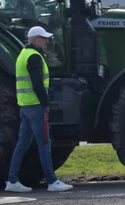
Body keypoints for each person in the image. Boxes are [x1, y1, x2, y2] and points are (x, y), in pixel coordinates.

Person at [5, 26, 74, 193]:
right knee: (44, 143)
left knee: (22, 144)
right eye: (43, 38)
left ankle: (12, 180)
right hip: (35, 106)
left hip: (25, 106)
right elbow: (37, 84)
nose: (47, 40)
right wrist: (46, 104)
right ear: (35, 39)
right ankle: (52, 181)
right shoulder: (34, 57)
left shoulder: (23, 55)